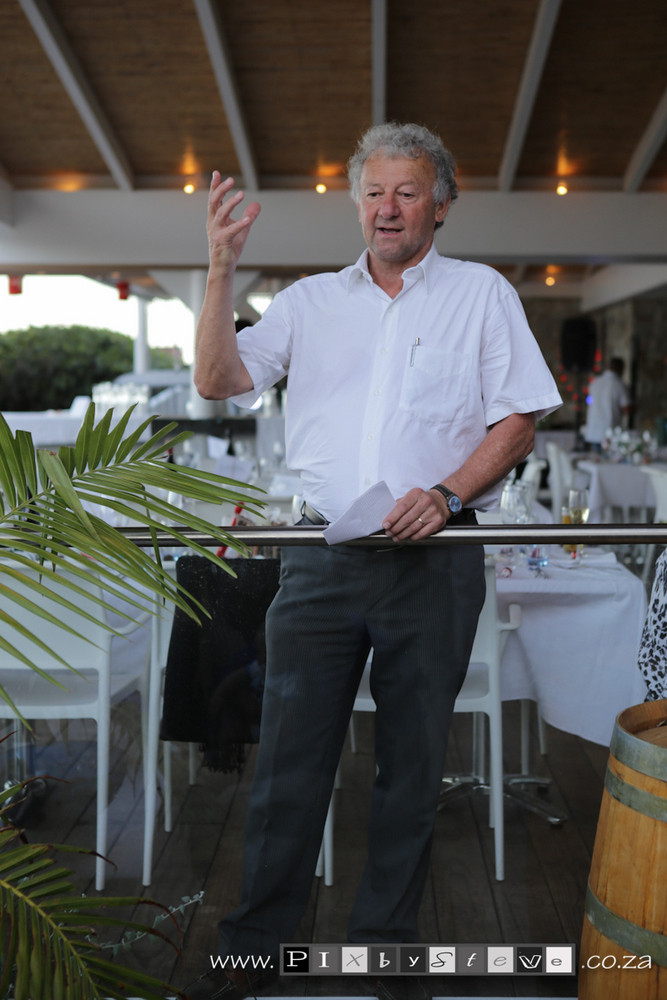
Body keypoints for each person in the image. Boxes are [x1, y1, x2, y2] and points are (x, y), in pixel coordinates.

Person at [188, 122, 562, 1000]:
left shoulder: (481, 294)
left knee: (411, 767)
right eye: (373, 192)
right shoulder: (309, 302)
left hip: (435, 562)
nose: (387, 208)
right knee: (288, 763)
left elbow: (517, 422)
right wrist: (219, 269)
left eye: (406, 192)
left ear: (441, 205)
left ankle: (386, 948)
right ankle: (252, 950)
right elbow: (216, 381)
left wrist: (448, 492)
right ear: (356, 204)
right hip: (321, 560)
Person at [582, 357, 632, 451]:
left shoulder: (595, 382)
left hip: (593, 430)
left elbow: (589, 401)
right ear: (621, 369)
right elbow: (626, 409)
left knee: (597, 458)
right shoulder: (619, 384)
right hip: (609, 431)